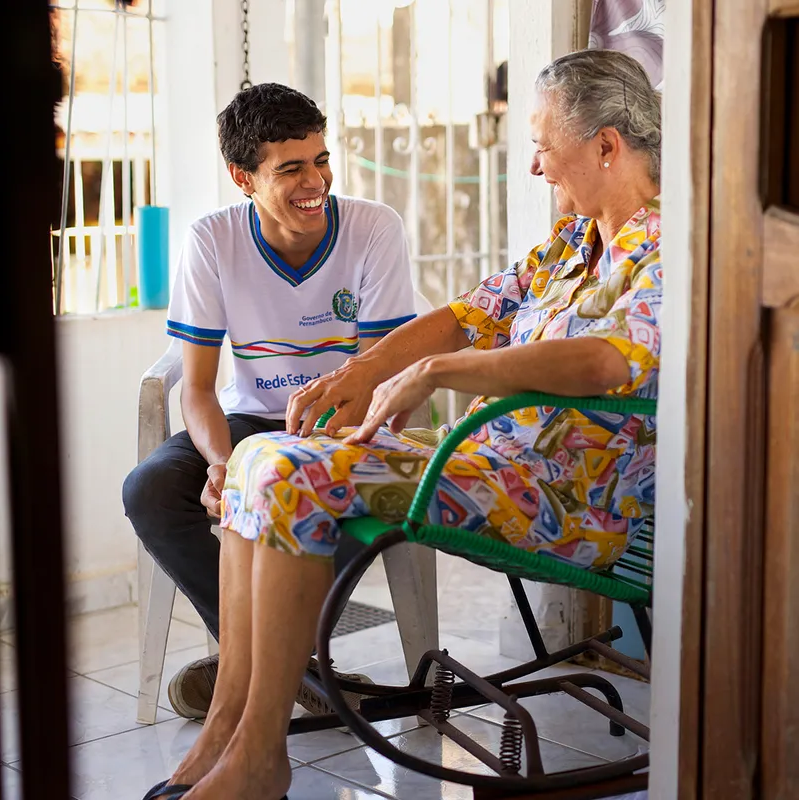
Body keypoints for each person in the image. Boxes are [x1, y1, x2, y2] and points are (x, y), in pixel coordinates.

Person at [145, 48, 662, 800]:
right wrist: (358, 372)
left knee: (288, 472)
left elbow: (603, 364)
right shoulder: (570, 244)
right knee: (260, 458)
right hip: (488, 464)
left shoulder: (670, 248)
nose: (535, 169)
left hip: (557, 499)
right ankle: (230, 731)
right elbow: (464, 315)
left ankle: (260, 758)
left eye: (543, 148)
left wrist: (436, 373)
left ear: (606, 146)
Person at [123, 82, 417, 723]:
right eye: (291, 169)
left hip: (347, 421)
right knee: (148, 489)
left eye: (321, 159)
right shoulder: (212, 241)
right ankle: (294, 668)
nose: (316, 181)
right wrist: (225, 465)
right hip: (250, 420)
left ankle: (251, 671)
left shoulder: (373, 228)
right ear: (242, 176)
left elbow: (378, 371)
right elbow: (197, 389)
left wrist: (293, 453)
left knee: (318, 485)